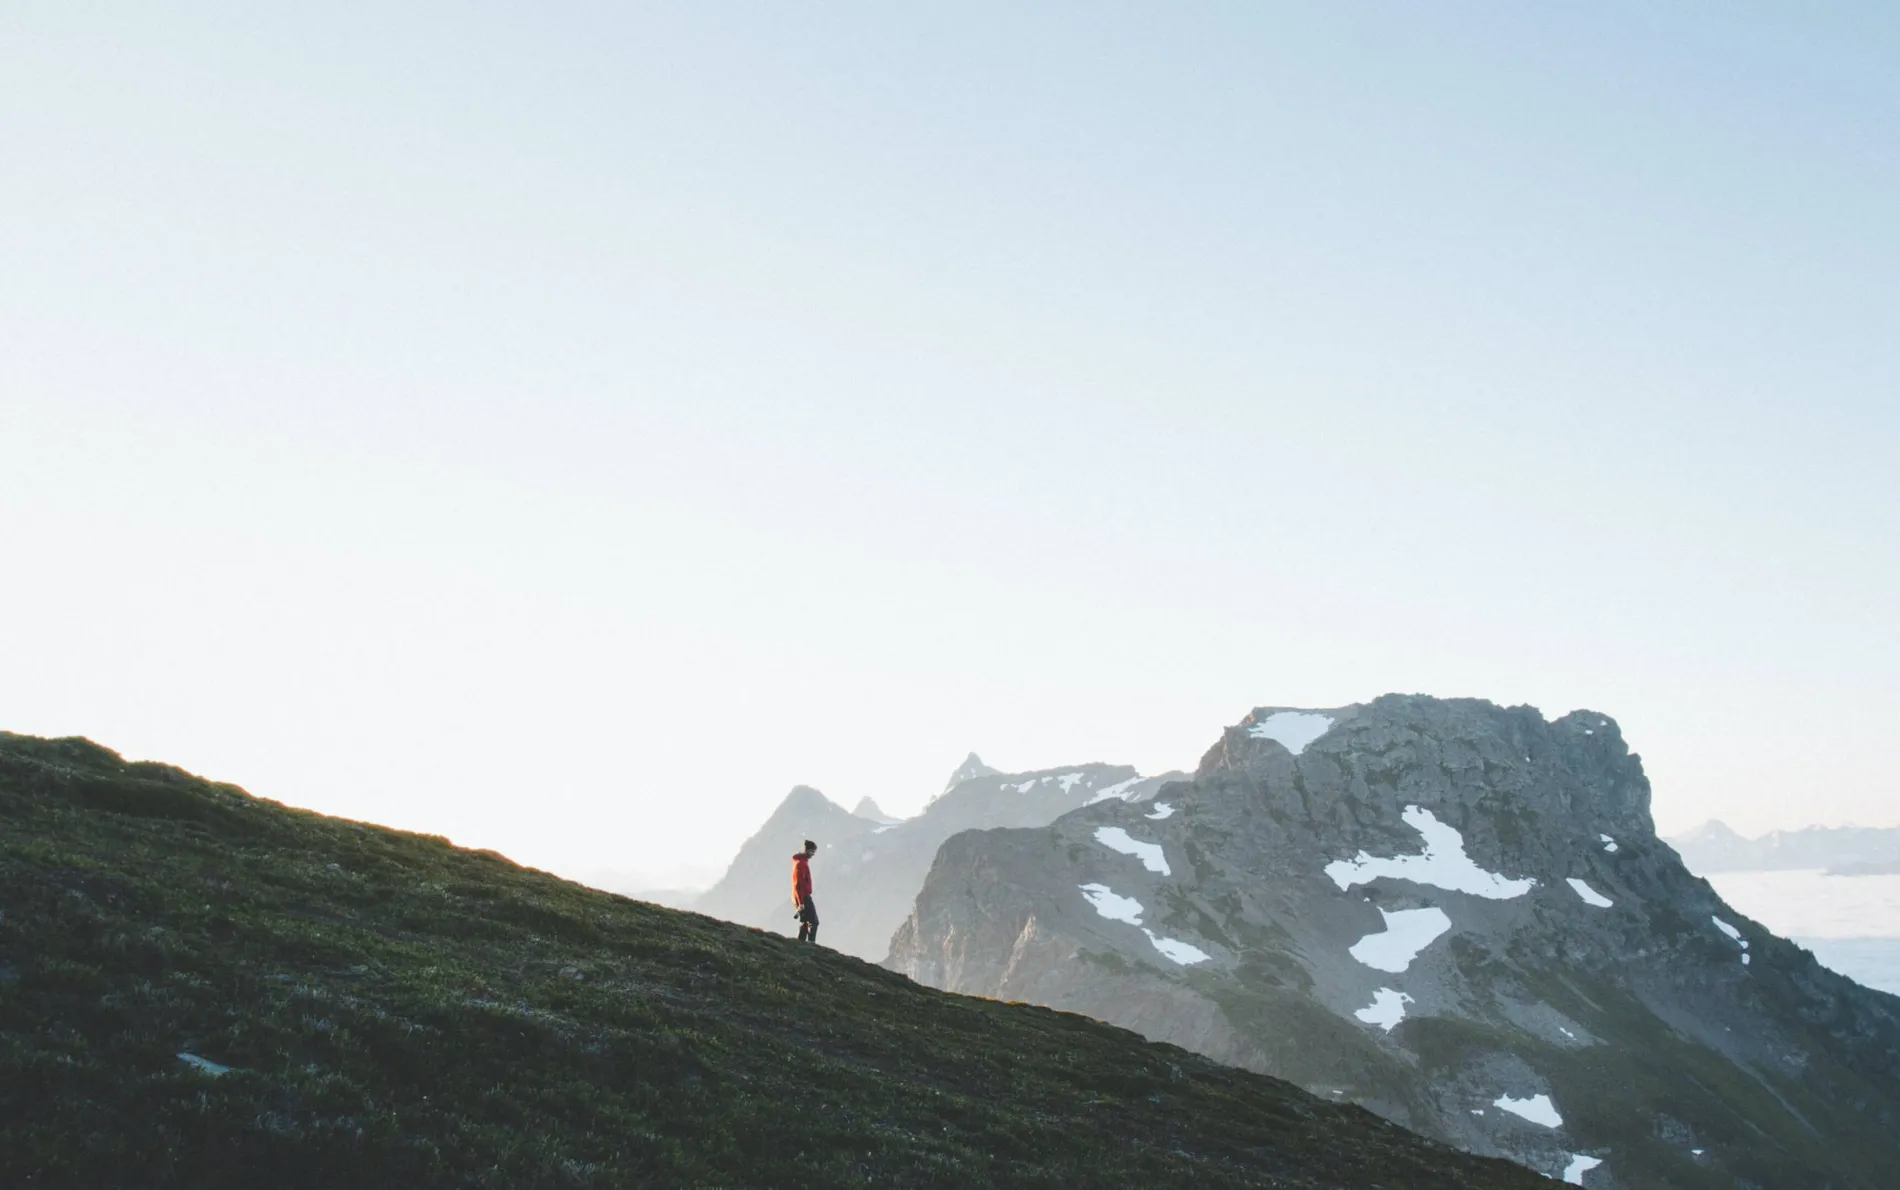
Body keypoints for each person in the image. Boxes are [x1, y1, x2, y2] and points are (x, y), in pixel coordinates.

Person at [791, 839, 819, 943]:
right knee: (813, 922)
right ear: (807, 850)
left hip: (799, 897)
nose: (813, 854)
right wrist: (801, 903)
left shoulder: (800, 862)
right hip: (804, 897)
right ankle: (811, 944)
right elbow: (798, 885)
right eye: (812, 851)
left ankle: (800, 943)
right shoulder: (801, 864)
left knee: (805, 921)